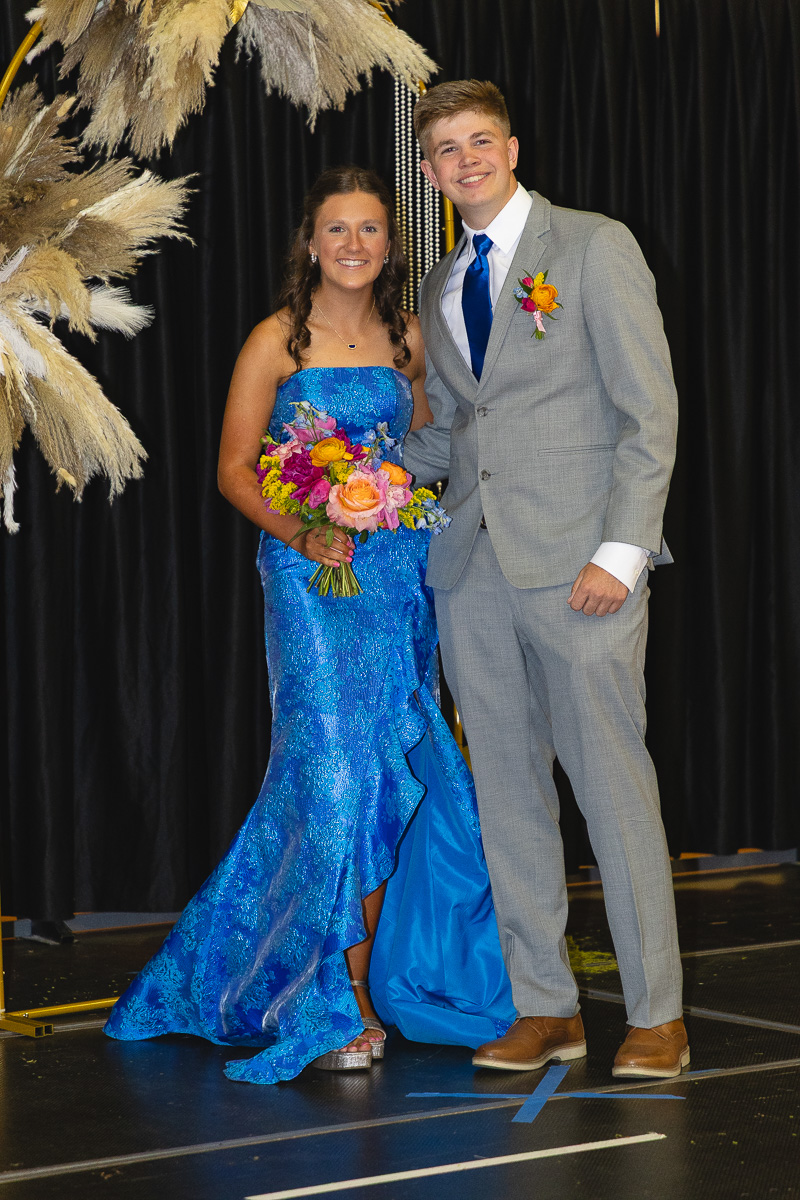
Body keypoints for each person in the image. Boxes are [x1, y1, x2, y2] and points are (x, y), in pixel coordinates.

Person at [104, 165, 515, 1084]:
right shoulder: (274, 342)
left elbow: (436, 446)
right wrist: (309, 529)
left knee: (385, 771)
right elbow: (235, 471)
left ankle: (358, 988)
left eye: (371, 230)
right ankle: (334, 999)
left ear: (389, 245)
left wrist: (403, 496)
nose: (355, 245)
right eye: (338, 229)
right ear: (310, 242)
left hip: (401, 577)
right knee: (330, 776)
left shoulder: (411, 338)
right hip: (308, 578)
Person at [403, 80, 687, 1079]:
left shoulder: (591, 246)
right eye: (445, 149)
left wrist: (621, 552)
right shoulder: (439, 285)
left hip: (580, 568)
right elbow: (451, 429)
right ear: (429, 171)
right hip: (471, 570)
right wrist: (361, 473)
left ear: (511, 147)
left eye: (479, 140)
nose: (464, 159)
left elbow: (647, 413)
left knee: (612, 793)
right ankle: (545, 1008)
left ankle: (657, 1016)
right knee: (508, 798)